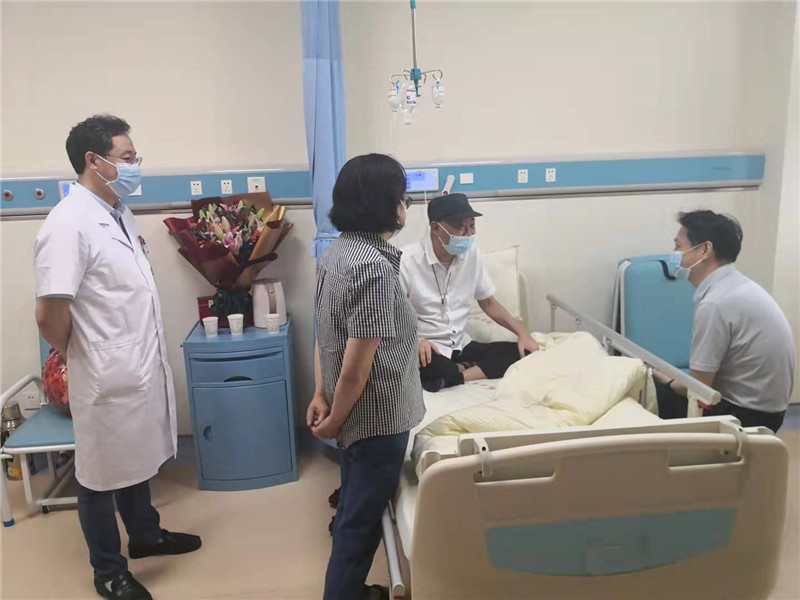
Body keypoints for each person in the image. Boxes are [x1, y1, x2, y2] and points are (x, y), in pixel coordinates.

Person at [34, 115, 201, 600]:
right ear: (94, 161)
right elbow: (48, 314)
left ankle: (146, 535)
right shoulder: (68, 224)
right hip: (103, 371)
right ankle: (108, 570)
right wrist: (83, 352)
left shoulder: (118, 212)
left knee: (136, 455)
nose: (134, 166)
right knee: (99, 474)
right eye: (127, 158)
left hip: (136, 364)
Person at [308, 153, 425, 600]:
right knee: (359, 524)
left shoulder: (336, 253)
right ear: (386, 202)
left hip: (351, 415)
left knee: (353, 510)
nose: (404, 204)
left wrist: (320, 394)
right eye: (402, 196)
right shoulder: (373, 268)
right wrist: (334, 421)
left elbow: (326, 336)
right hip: (377, 420)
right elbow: (357, 369)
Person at [654, 210, 795, 432]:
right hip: (770, 413)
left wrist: (667, 380)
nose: (675, 255)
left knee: (650, 391)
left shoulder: (716, 303)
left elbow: (699, 389)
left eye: (678, 246)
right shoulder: (739, 287)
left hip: (745, 418)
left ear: (704, 250)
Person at [399, 193, 539, 392]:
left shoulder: (471, 255)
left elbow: (488, 302)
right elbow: (393, 315)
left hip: (461, 344)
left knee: (518, 352)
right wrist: (417, 341)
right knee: (419, 363)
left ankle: (455, 376)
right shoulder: (406, 261)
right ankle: (461, 370)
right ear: (436, 228)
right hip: (428, 347)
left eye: (471, 226)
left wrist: (523, 333)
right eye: (460, 227)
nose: (468, 234)